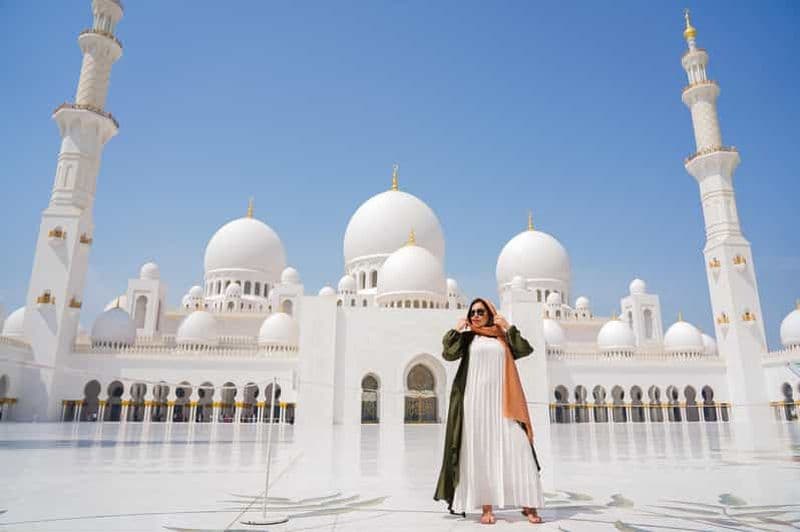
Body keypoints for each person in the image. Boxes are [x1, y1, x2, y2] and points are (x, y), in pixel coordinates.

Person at [434, 297, 544, 524]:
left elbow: (524, 349)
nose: (475, 315)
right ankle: (486, 508)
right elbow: (448, 353)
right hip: (474, 403)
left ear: (490, 314)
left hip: (504, 402)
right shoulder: (468, 338)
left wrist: (507, 327)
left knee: (519, 448)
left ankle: (529, 505)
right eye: (472, 312)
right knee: (481, 452)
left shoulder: (502, 336)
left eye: (480, 312)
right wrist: (457, 329)